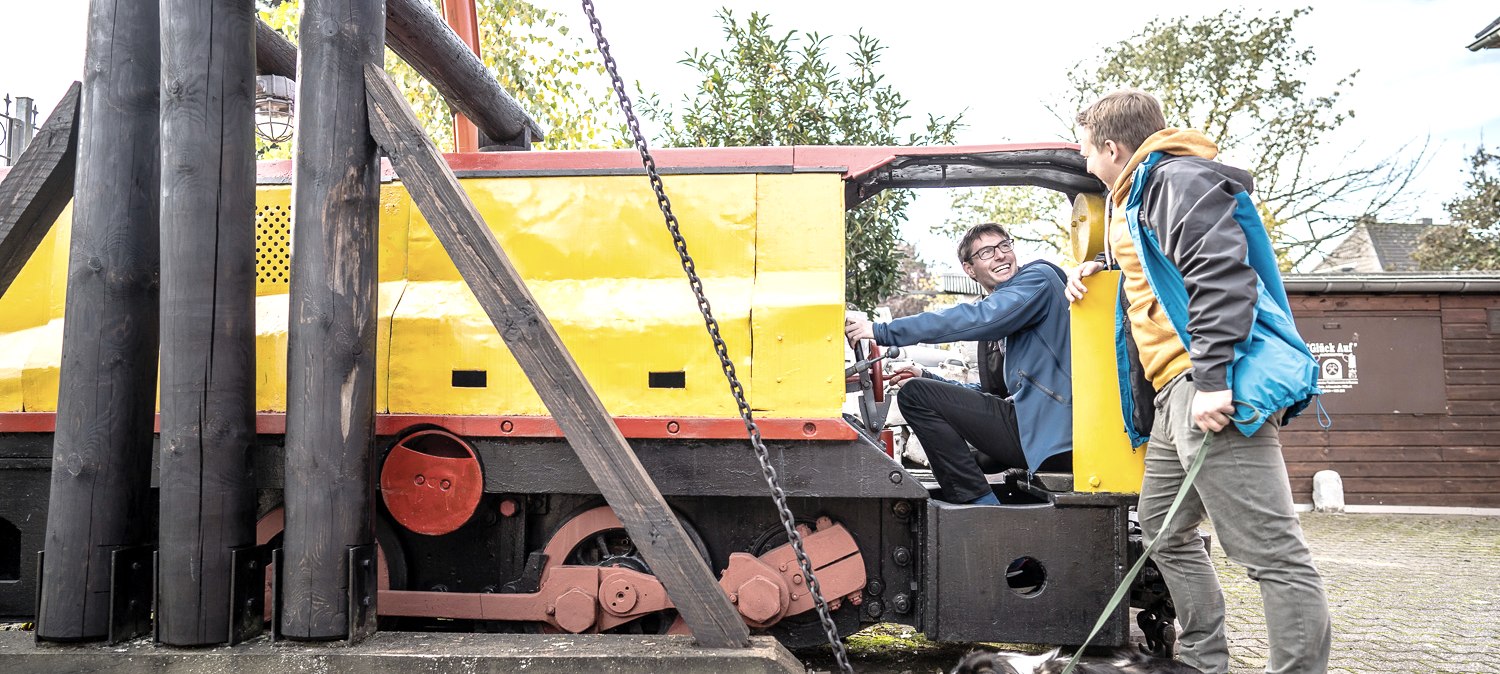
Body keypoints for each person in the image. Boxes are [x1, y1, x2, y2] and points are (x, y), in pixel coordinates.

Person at [1070, 89, 1329, 674]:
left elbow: (1221, 278)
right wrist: (1104, 266)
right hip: (1170, 396)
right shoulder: (1138, 197)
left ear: (1113, 148)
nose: (1085, 162)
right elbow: (1167, 270)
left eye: (1086, 150)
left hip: (1206, 385)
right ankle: (1204, 662)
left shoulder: (1176, 181)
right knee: (1163, 529)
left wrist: (1214, 379)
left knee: (1271, 553)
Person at [844, 223, 1072, 506]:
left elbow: (976, 317)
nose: (1000, 255)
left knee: (915, 396)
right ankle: (974, 505)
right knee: (967, 459)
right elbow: (995, 393)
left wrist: (882, 331)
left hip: (1054, 431)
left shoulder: (1038, 279)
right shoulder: (1006, 322)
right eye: (987, 252)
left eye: (1004, 246)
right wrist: (927, 376)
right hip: (1032, 425)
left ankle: (982, 512)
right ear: (969, 268)